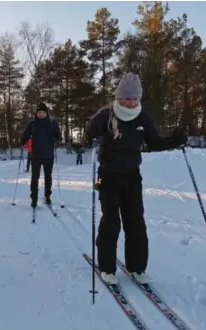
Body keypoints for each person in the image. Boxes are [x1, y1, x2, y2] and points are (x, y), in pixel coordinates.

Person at [84, 72, 187, 284]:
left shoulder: (143, 119)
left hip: (132, 176)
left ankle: (137, 267)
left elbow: (155, 143)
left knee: (135, 221)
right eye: (127, 98)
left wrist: (176, 139)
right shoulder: (106, 115)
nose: (131, 103)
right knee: (111, 221)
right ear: (119, 96)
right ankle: (107, 267)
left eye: (134, 99)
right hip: (108, 175)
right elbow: (87, 137)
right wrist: (89, 133)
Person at [21, 102, 62, 208]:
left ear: (46, 113)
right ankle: (34, 198)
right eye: (39, 112)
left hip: (48, 155)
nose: (41, 114)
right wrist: (24, 141)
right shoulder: (33, 124)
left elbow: (59, 136)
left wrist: (56, 138)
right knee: (35, 177)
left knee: (48, 177)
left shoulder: (52, 123)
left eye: (43, 112)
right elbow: (25, 135)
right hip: (36, 155)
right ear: (36, 113)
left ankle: (47, 196)